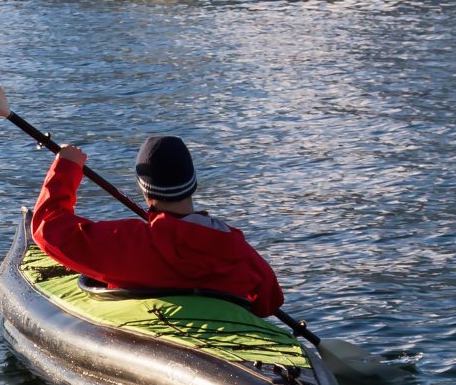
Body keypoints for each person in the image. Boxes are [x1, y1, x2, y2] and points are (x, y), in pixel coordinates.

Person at [29, 134, 283, 317]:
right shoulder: (236, 247)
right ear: (193, 184)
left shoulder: (127, 241)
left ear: (143, 190)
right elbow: (269, 302)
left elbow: (48, 227)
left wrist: (67, 165)